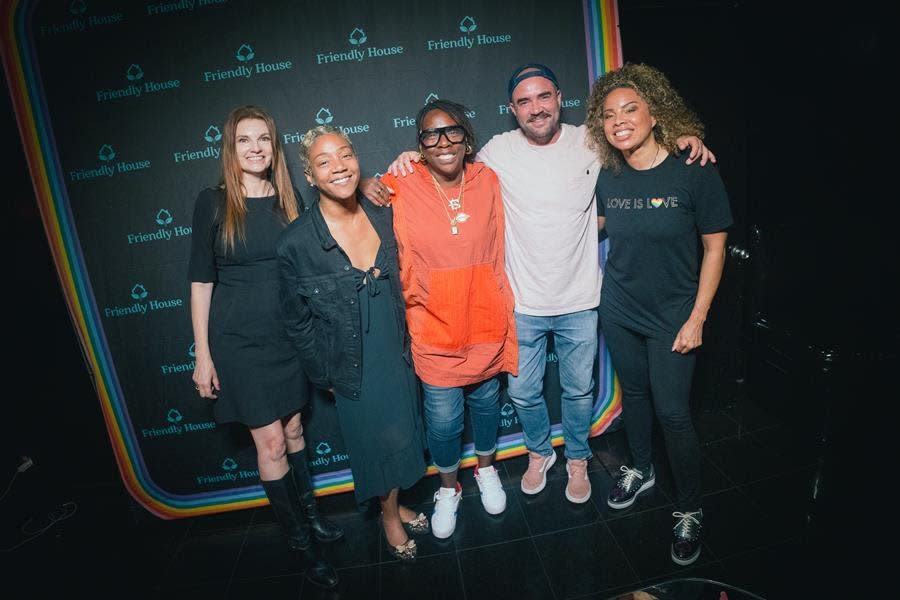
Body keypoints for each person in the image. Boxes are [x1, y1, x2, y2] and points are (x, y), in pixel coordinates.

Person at [365, 63, 714, 504]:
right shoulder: (495, 151)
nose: (536, 108)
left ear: (559, 98)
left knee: (578, 391)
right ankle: (538, 453)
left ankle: (578, 460)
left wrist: (684, 139)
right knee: (526, 394)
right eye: (524, 101)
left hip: (582, 299)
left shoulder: (591, 140)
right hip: (522, 303)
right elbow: (441, 152)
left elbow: (643, 146)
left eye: (543, 97)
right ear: (512, 109)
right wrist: (401, 159)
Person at [585, 63, 732, 566]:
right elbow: (591, 224)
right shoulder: (608, 174)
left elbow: (715, 248)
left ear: (655, 113)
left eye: (630, 109)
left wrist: (697, 319)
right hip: (620, 308)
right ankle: (642, 469)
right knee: (638, 396)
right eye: (609, 115)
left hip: (674, 314)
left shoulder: (694, 168)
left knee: (674, 412)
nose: (619, 121)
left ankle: (689, 507)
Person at [188, 106, 340, 589]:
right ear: (230, 150)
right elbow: (199, 283)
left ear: (274, 147)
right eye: (243, 140)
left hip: (288, 336)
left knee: (294, 427)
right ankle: (303, 545)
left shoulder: (289, 200)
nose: (256, 148)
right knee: (270, 441)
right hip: (238, 342)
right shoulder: (212, 203)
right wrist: (203, 355)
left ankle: (312, 517)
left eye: (264, 139)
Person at [276, 126, 429, 561]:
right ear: (309, 175)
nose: (338, 166)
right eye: (324, 162)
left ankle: (396, 501)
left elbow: (427, 177)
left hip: (396, 345)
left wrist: (404, 158)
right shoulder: (296, 243)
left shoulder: (382, 209)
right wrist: (323, 372)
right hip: (350, 360)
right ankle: (388, 517)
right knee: (374, 443)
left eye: (346, 155)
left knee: (401, 433)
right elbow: (296, 320)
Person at [377, 100, 517, 539]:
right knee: (443, 423)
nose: (443, 142)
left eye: (452, 132)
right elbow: (352, 194)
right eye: (431, 135)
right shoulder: (399, 183)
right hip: (433, 326)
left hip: (484, 319)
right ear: (418, 145)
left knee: (487, 407)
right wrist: (365, 180)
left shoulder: (488, 179)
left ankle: (487, 471)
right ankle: (448, 488)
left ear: (467, 138)